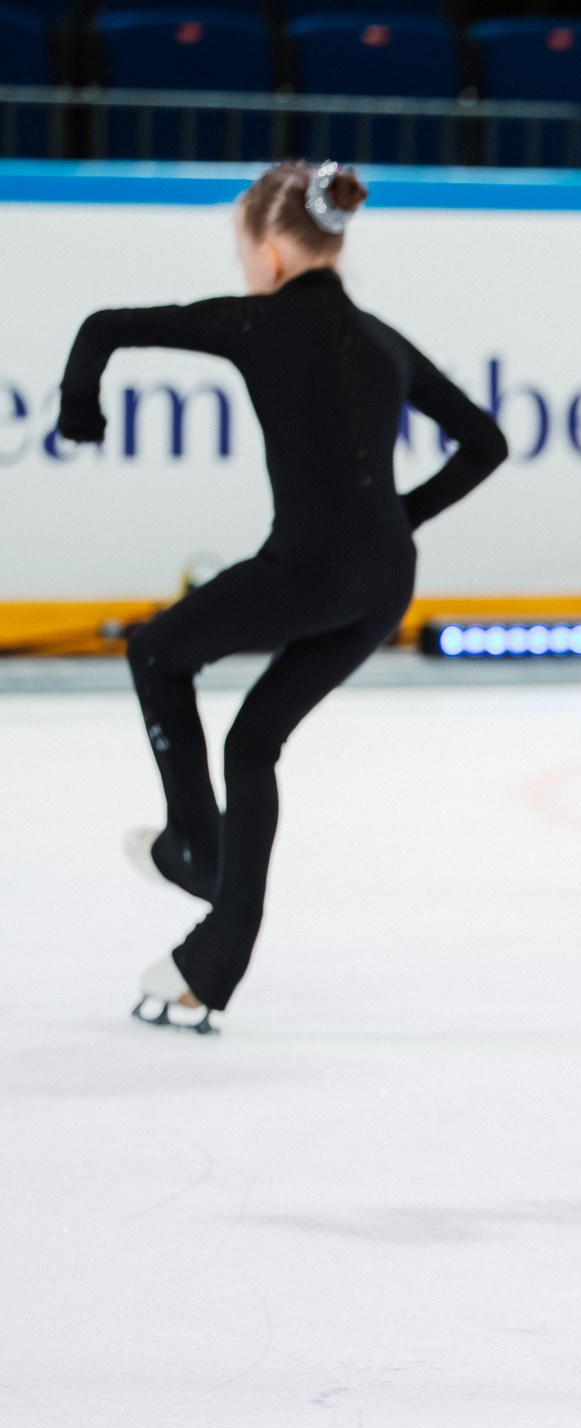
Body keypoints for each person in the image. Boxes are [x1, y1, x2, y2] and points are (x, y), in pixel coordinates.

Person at [57, 161, 508, 1031]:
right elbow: (486, 443)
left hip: (309, 571)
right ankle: (212, 959)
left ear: (268, 253)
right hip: (386, 581)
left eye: (241, 254)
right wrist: (397, 519)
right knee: (252, 741)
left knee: (156, 652)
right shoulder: (383, 340)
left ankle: (198, 854)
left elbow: (103, 327)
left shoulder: (256, 321)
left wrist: (82, 408)